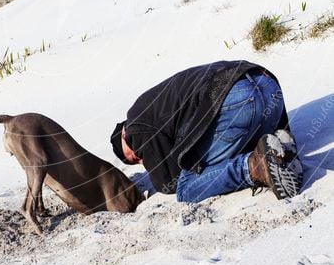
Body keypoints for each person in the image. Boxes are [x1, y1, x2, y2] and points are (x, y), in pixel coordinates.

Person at [110, 60, 302, 202]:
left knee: (186, 188)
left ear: (123, 136)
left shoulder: (135, 125)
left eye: (135, 158)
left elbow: (169, 182)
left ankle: (255, 166)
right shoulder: (156, 105)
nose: (142, 160)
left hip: (236, 99)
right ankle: (282, 148)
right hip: (266, 83)